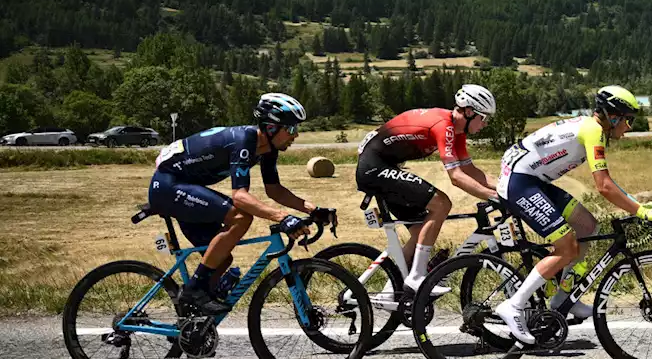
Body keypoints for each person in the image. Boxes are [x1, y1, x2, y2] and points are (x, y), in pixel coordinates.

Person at [492, 85, 652, 344]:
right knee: (567, 247)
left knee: (587, 226)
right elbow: (604, 186)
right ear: (613, 116)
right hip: (520, 182)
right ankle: (514, 305)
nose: (629, 127)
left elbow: (609, 183)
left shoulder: (591, 127)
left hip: (533, 180)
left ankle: (562, 298)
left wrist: (641, 206)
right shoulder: (594, 130)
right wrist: (641, 211)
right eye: (628, 120)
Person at [150, 93, 330, 314]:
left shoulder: (267, 148)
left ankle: (190, 318)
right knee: (240, 216)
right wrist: (282, 217)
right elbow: (240, 197)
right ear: (271, 127)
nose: (296, 135)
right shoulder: (244, 140)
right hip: (169, 185)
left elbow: (274, 190)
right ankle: (194, 291)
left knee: (221, 259)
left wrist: (312, 208)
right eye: (291, 129)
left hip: (184, 186)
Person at [355, 85, 499, 302]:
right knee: (441, 204)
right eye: (483, 117)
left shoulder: (457, 132)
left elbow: (471, 171)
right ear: (469, 112)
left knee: (422, 229)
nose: (485, 124)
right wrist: (494, 197)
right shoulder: (445, 126)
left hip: (383, 164)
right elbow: (457, 177)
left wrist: (506, 187)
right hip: (375, 167)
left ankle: (390, 291)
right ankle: (417, 276)